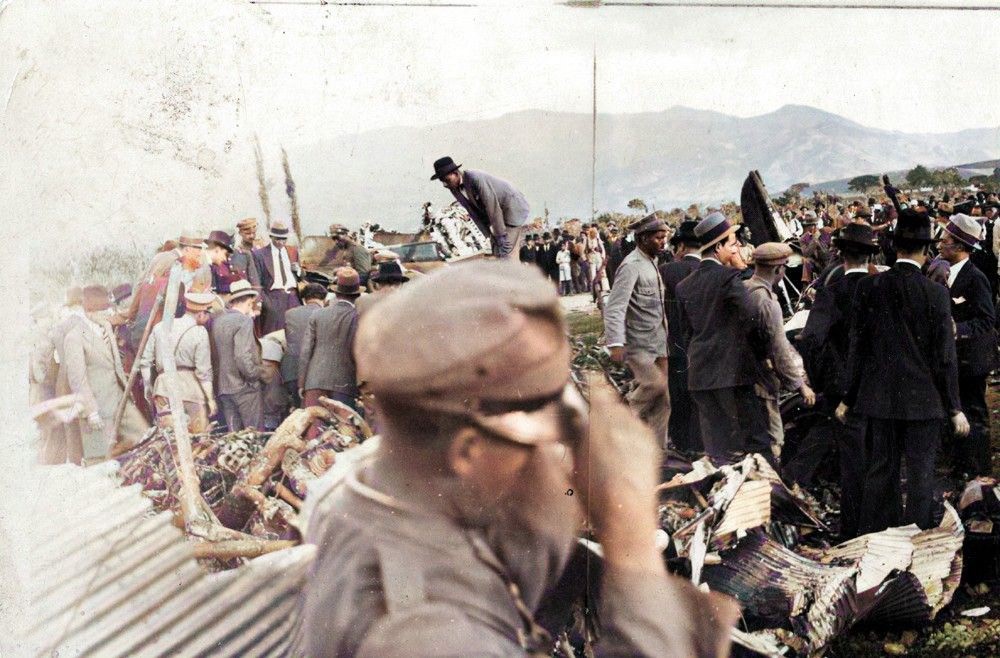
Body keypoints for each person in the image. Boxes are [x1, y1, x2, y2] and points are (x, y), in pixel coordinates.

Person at [295, 260, 739, 658]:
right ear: (469, 450)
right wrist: (633, 546)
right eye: (549, 425)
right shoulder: (432, 635)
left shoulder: (374, 487)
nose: (556, 453)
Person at [838, 209, 969, 533]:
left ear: (894, 248)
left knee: (881, 471)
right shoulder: (936, 293)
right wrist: (954, 407)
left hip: (879, 401)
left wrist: (847, 398)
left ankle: (872, 541)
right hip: (924, 403)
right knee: (922, 475)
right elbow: (945, 357)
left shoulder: (868, 287)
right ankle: (917, 544)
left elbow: (858, 348)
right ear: (926, 251)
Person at [793, 223, 880, 538]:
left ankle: (854, 530)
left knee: (852, 462)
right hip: (881, 388)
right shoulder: (883, 288)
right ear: (870, 254)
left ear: (840, 254)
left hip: (843, 388)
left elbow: (812, 340)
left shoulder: (832, 293)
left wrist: (821, 378)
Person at [676, 212, 770, 463]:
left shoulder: (684, 286)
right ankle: (772, 496)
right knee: (757, 442)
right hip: (733, 374)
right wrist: (762, 357)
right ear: (718, 247)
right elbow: (752, 319)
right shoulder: (729, 278)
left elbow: (687, 333)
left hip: (700, 375)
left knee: (718, 449)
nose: (736, 247)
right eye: (731, 243)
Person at [937, 213, 998, 478]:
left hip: (972, 360)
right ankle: (961, 468)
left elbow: (987, 320)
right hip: (954, 359)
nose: (940, 243)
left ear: (960, 247)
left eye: (946, 240)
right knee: (956, 412)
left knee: (974, 412)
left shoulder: (976, 278)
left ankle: (981, 472)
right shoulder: (944, 272)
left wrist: (958, 330)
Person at [60, 285, 149, 462]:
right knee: (99, 461)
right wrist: (90, 411)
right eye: (103, 310)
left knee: (143, 436)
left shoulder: (106, 327)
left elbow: (114, 364)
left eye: (108, 308)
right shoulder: (74, 337)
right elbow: (77, 380)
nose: (108, 313)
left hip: (120, 400)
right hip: (97, 409)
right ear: (89, 311)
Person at [603, 213, 670, 446]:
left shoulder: (652, 262)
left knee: (663, 402)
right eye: (658, 238)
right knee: (654, 385)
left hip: (659, 341)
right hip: (638, 343)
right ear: (642, 239)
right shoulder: (631, 266)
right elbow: (615, 307)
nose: (663, 242)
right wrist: (616, 343)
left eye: (665, 237)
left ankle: (658, 453)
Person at [744, 243, 816, 461]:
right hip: (761, 380)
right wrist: (800, 386)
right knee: (774, 439)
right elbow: (779, 350)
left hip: (742, 377)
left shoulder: (744, 288)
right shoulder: (767, 302)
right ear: (778, 269)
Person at [140, 290, 217, 433]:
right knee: (197, 436)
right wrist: (210, 399)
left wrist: (148, 387)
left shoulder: (160, 327)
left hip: (163, 388)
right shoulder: (199, 332)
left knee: (170, 438)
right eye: (207, 315)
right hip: (190, 390)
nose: (207, 320)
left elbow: (145, 362)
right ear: (201, 314)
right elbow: (203, 371)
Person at [299, 267, 362, 433]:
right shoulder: (357, 317)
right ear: (356, 295)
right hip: (344, 384)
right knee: (344, 435)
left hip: (314, 381)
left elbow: (306, 352)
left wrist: (302, 383)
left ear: (336, 292)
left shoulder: (318, 315)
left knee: (313, 434)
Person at [658, 220, 702, 453]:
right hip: (704, 348)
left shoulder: (665, 271)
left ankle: (683, 449)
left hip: (674, 347)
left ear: (682, 246)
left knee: (679, 401)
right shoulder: (709, 271)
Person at [431, 156, 530, 259]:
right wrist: (488, 236)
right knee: (496, 251)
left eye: (446, 180)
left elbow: (492, 207)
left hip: (512, 208)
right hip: (497, 214)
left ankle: (512, 272)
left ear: (455, 174)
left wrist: (500, 235)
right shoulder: (453, 187)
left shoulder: (475, 178)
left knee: (505, 251)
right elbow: (473, 213)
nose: (444, 184)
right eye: (442, 181)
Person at [211, 279, 263, 431]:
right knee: (253, 435)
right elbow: (242, 356)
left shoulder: (218, 320)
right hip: (244, 388)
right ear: (249, 301)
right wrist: (254, 376)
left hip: (224, 387)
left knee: (234, 436)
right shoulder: (244, 321)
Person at [250, 219, 302, 335]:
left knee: (296, 334)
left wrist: (298, 271)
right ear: (271, 236)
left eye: (284, 239)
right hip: (274, 299)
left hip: (293, 298)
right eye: (277, 238)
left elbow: (301, 277)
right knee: (274, 336)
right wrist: (267, 304)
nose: (280, 242)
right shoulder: (260, 254)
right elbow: (256, 282)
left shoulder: (293, 251)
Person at [281, 282, 328, 408]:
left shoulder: (289, 313)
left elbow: (288, 337)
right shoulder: (326, 314)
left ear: (304, 299)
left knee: (299, 410)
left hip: (292, 370)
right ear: (324, 299)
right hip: (316, 372)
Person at [205, 230, 244, 297]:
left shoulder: (211, 266)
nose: (225, 259)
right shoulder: (203, 265)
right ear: (217, 250)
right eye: (225, 254)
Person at [230, 217, 264, 282]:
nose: (251, 236)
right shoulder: (239, 252)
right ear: (240, 233)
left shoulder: (260, 246)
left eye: (254, 233)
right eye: (248, 234)